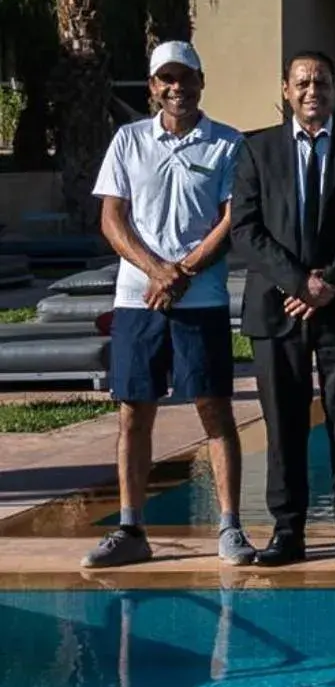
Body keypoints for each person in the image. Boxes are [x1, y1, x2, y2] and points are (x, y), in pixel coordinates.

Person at [82, 42, 248, 569]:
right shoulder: (128, 141)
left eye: (187, 77)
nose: (177, 87)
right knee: (134, 413)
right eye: (166, 79)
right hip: (139, 300)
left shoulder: (227, 144)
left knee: (215, 410)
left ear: (202, 80)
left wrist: (184, 272)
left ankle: (230, 527)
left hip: (202, 301)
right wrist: (158, 272)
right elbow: (113, 219)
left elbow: (230, 219)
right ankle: (132, 529)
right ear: (153, 86)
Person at [231, 50, 335, 566]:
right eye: (302, 82)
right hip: (278, 310)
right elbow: (245, 230)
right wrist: (299, 281)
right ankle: (288, 530)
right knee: (283, 423)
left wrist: (328, 281)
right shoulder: (257, 151)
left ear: (334, 88)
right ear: (286, 90)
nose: (311, 90)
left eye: (321, 81)